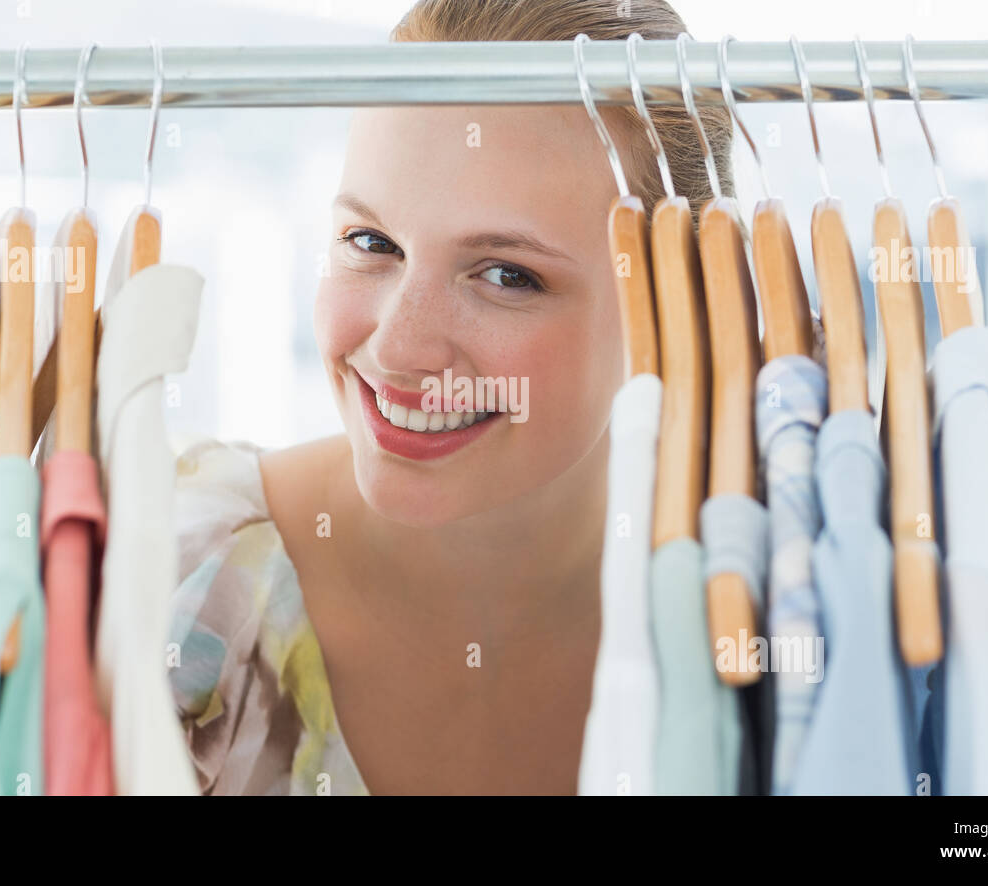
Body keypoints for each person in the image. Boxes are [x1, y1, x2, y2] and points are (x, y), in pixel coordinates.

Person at [169, 0, 733, 795]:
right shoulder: (175, 581)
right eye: (372, 243)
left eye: (507, 275)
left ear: (677, 301)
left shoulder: (781, 612)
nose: (399, 347)